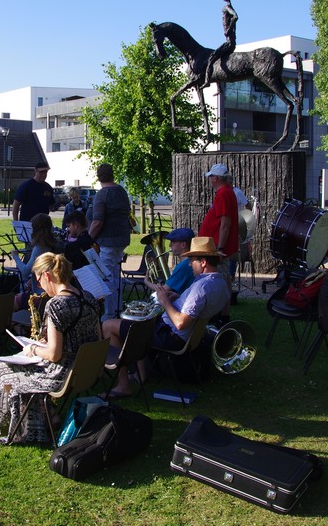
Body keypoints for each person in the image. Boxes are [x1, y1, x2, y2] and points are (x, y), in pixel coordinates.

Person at [0, 252, 101, 444]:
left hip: (61, 375)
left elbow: (54, 355)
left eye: (39, 281)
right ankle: (48, 414)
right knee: (21, 368)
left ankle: (12, 425)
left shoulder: (56, 305)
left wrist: (34, 349)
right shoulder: (89, 297)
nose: (40, 286)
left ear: (46, 276)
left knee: (2, 368)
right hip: (87, 370)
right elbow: (97, 337)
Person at [102, 236, 229, 398]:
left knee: (108, 326)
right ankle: (141, 375)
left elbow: (181, 323)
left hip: (171, 336)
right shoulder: (220, 282)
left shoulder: (201, 287)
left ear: (203, 262)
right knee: (135, 321)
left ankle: (123, 385)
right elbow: (200, 307)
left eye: (192, 261)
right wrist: (178, 298)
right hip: (184, 335)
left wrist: (164, 301)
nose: (189, 264)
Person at [87, 163, 132, 321]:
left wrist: (87, 239)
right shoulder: (122, 191)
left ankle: (109, 314)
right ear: (112, 174)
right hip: (122, 239)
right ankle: (118, 308)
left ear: (99, 177)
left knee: (106, 277)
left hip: (108, 241)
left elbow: (97, 221)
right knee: (115, 275)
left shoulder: (102, 194)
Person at [198, 163, 239, 323]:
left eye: (211, 177)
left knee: (218, 281)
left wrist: (219, 248)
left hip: (217, 247)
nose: (209, 180)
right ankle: (223, 316)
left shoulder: (223, 194)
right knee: (223, 280)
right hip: (217, 245)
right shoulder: (227, 192)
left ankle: (219, 317)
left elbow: (225, 224)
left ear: (215, 178)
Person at [143, 227, 196, 298]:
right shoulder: (191, 261)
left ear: (183, 244)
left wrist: (146, 282)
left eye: (173, 242)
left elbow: (164, 290)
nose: (170, 245)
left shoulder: (184, 266)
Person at [201, 0, 238, 88]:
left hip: (229, 42)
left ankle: (207, 81)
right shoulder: (229, 7)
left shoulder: (226, 7)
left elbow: (235, 16)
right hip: (231, 41)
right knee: (217, 60)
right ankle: (219, 89)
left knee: (211, 58)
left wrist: (229, 29)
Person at [12, 213, 59, 289]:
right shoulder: (54, 243)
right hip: (52, 285)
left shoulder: (40, 248)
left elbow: (25, 271)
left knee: (21, 283)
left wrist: (15, 256)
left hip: (41, 290)